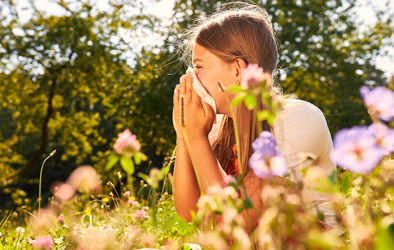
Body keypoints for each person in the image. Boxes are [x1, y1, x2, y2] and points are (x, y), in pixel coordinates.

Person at [172, 2, 337, 231]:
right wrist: (185, 136)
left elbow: (245, 220)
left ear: (237, 70)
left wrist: (197, 138)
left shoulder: (298, 118)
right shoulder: (218, 128)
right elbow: (189, 214)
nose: (192, 78)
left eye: (198, 67)